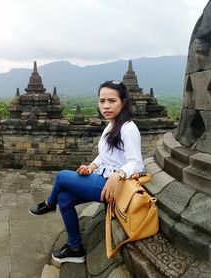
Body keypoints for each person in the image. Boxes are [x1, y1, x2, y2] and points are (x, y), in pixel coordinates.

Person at [29, 80, 144, 264]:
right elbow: (104, 156)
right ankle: (75, 248)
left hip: (112, 186)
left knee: (62, 176)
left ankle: (49, 205)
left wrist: (118, 175)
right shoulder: (111, 125)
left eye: (112, 101)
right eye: (102, 101)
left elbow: (137, 164)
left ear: (123, 102)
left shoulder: (128, 128)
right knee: (64, 199)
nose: (105, 106)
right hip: (102, 178)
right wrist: (90, 167)